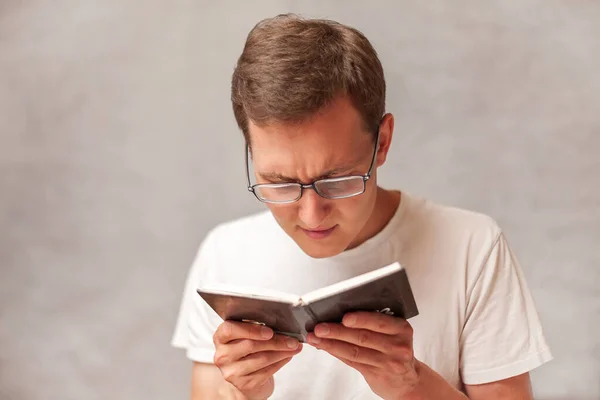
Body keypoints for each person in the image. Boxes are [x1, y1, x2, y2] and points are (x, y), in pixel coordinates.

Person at [172, 14, 552, 400]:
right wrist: (242, 393)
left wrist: (412, 385)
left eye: (337, 181)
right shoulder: (225, 255)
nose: (311, 214)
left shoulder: (473, 249)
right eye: (281, 184)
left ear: (382, 143)